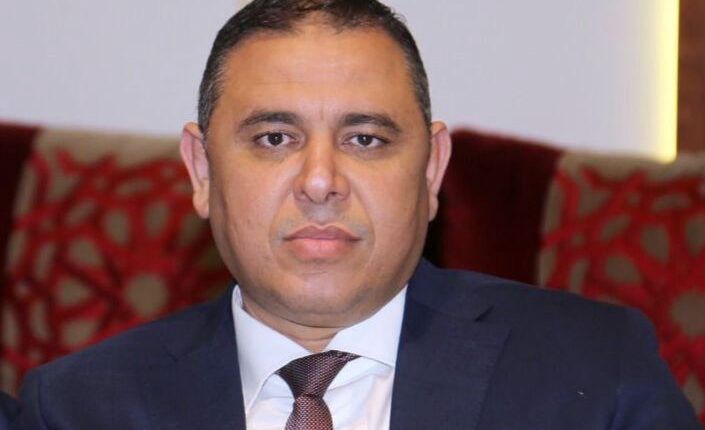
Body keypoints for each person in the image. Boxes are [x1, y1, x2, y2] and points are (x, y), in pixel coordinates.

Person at [11, 0, 700, 428]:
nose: (320, 182)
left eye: (365, 139)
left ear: (430, 170)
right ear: (202, 171)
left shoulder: (592, 371)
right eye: (273, 138)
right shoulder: (74, 408)